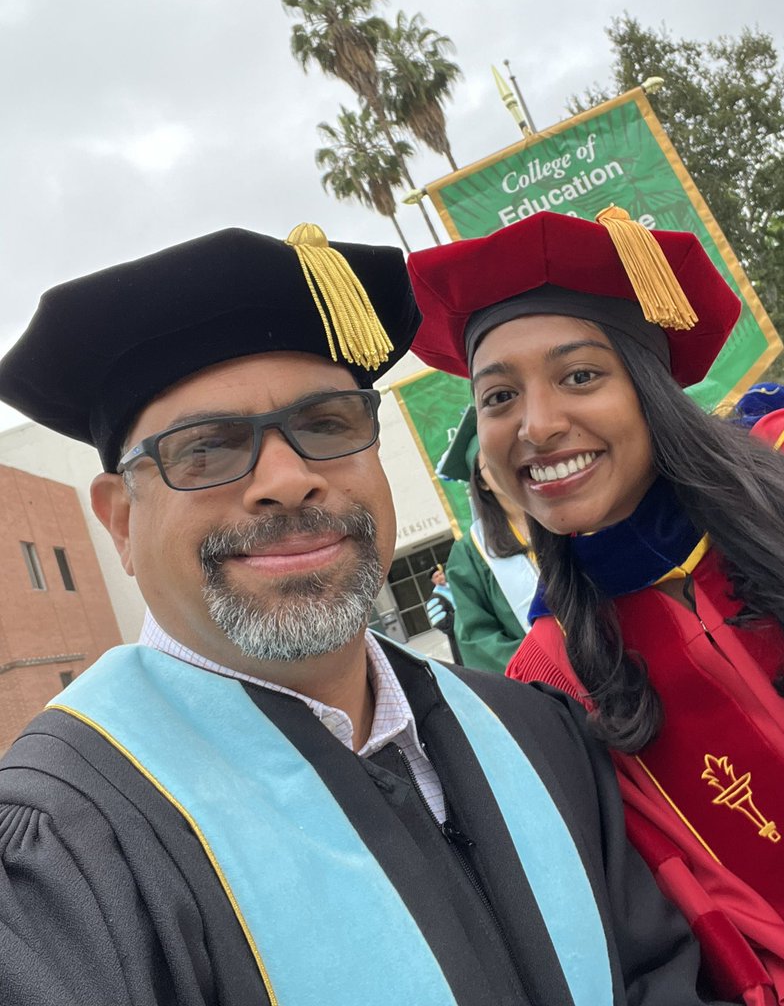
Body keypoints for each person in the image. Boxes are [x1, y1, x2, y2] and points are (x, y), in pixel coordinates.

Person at [0, 221, 730, 1006]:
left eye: (326, 425)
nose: (287, 480)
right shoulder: (69, 849)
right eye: (205, 448)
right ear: (120, 522)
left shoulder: (534, 731)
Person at [407, 207, 784, 1004]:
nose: (537, 425)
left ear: (650, 387)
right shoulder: (560, 678)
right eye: (498, 396)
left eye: (580, 376)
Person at [438, 405, 537, 672]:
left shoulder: (564, 516)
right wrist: (545, 665)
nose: (504, 466)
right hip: (543, 681)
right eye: (491, 462)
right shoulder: (470, 552)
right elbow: (477, 639)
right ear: (480, 481)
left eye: (509, 456)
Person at [423, 563, 463, 662]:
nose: (440, 577)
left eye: (440, 574)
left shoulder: (454, 587)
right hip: (458, 637)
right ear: (433, 581)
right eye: (436, 576)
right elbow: (441, 623)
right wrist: (459, 623)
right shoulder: (435, 599)